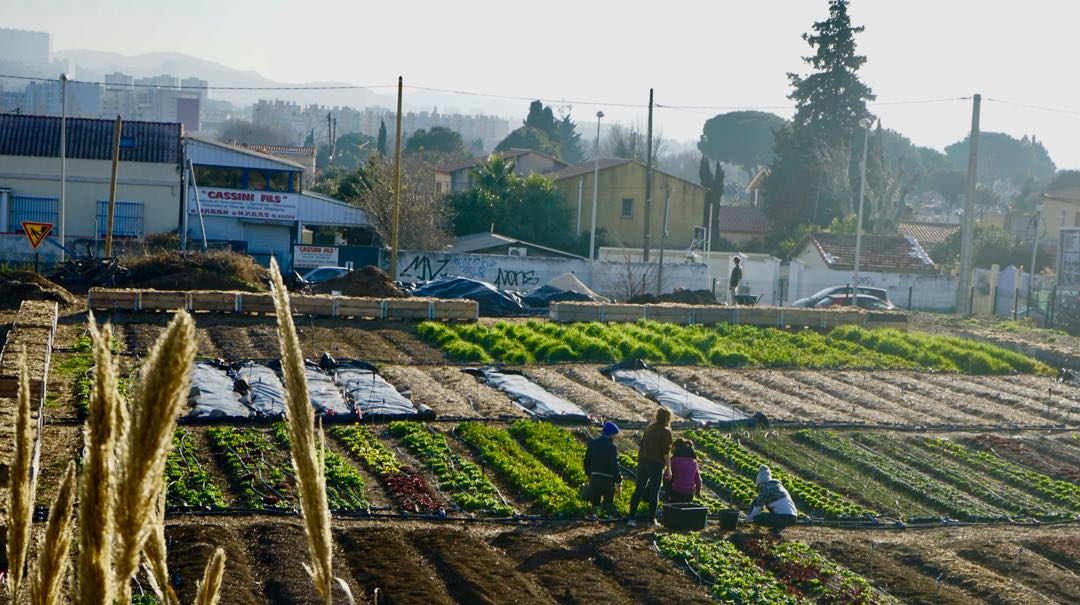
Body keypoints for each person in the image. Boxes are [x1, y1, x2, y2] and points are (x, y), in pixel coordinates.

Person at [628, 407, 673, 527]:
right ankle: (651, 520)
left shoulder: (650, 428)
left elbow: (641, 444)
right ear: (668, 418)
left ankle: (631, 518)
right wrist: (669, 469)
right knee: (654, 492)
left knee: (639, 489)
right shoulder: (665, 431)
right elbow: (665, 452)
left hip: (643, 461)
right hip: (656, 464)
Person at [584, 421, 623, 517]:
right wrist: (618, 482)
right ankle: (607, 519)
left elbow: (586, 461)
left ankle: (596, 518)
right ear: (611, 434)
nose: (615, 437)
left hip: (595, 477)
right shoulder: (612, 447)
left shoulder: (592, 443)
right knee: (608, 503)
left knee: (596, 502)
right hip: (608, 480)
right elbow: (614, 465)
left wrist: (588, 474)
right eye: (615, 434)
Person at [746, 465, 798, 535]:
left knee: (757, 518)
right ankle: (777, 528)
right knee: (767, 504)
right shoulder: (777, 486)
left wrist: (748, 519)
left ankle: (778, 528)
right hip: (793, 517)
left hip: (784, 517)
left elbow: (757, 509)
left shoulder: (764, 489)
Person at [664, 438, 702, 503]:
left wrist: (665, 489)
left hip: (676, 491)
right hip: (689, 493)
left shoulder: (674, 460)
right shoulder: (693, 462)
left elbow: (665, 476)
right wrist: (698, 493)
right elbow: (698, 480)